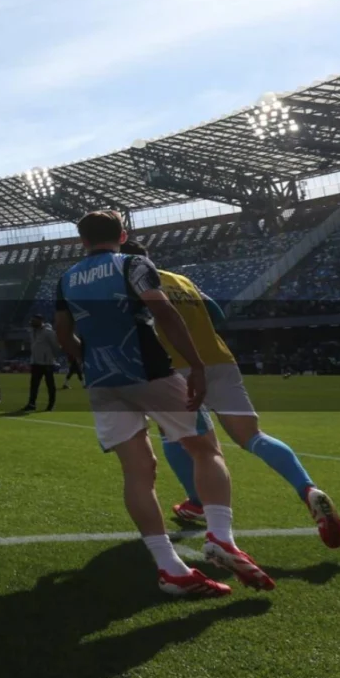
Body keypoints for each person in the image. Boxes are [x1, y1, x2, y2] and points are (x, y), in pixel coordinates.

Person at [54, 210, 270, 597]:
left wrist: (84, 362)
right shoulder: (133, 263)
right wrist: (198, 366)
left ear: (81, 241)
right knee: (206, 448)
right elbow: (163, 310)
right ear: (122, 235)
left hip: (103, 382)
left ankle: (169, 567)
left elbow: (62, 331)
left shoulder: (66, 278)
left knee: (138, 472)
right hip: (149, 370)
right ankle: (220, 536)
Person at [118, 241, 340, 549]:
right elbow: (216, 311)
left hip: (177, 365)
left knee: (175, 437)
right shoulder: (180, 279)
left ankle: (198, 502)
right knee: (253, 436)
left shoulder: (130, 282)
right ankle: (308, 489)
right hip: (220, 359)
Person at [18, 315, 61, 412]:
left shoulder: (48, 332)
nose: (32, 322)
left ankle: (51, 404)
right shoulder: (33, 332)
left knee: (50, 385)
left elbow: (56, 346)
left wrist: (51, 358)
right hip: (36, 362)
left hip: (47, 363)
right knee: (34, 385)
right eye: (31, 320)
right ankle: (31, 404)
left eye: (34, 321)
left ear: (41, 321)